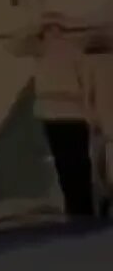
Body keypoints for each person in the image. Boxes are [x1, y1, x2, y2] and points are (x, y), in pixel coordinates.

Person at [28, 13, 100, 218]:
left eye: (55, 27)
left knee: (78, 161)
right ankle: (76, 208)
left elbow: (86, 82)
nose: (52, 32)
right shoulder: (39, 50)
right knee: (65, 162)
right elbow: (15, 45)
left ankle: (83, 208)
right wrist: (36, 26)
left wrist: (89, 110)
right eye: (48, 29)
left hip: (72, 110)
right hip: (52, 112)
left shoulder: (73, 51)